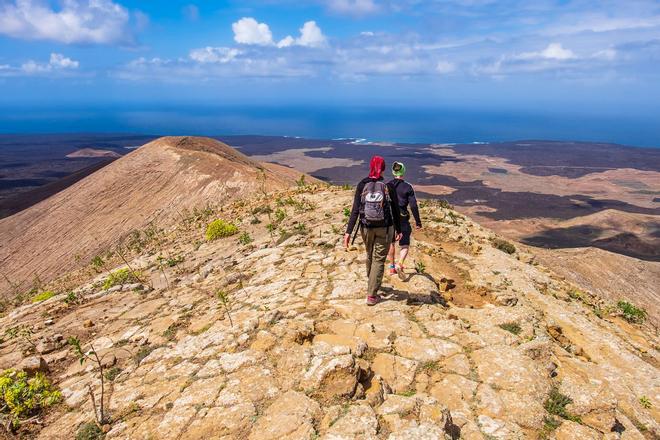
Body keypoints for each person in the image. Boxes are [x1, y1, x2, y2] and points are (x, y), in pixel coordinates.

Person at [344, 156, 402, 306]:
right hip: (385, 228)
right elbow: (396, 211)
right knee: (379, 259)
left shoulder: (362, 184)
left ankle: (372, 283)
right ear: (383, 169)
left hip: (366, 227)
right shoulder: (388, 186)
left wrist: (348, 232)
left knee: (370, 255)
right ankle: (372, 294)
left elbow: (355, 210)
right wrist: (399, 230)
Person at [387, 161, 422, 276]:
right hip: (402, 218)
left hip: (389, 217)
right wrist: (418, 222)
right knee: (405, 244)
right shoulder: (408, 187)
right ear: (403, 171)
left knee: (391, 243)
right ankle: (400, 263)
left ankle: (392, 267)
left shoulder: (387, 185)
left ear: (393, 172)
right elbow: (413, 205)